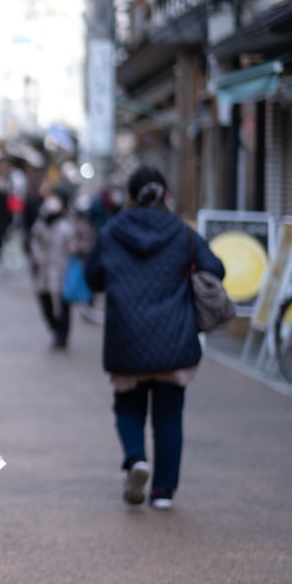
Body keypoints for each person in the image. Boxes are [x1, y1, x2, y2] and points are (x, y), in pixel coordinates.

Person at [84, 165, 225, 510]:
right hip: (174, 340)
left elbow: (93, 278)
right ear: (166, 195)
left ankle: (136, 460)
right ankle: (163, 491)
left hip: (126, 338)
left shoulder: (113, 230)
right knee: (169, 416)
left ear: (130, 195)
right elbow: (216, 269)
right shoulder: (183, 233)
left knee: (128, 407)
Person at [28, 186, 76, 349]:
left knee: (63, 305)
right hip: (44, 270)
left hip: (63, 270)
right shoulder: (42, 220)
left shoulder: (69, 223)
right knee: (45, 301)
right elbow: (34, 240)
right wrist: (38, 257)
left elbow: (75, 244)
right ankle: (55, 330)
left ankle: (62, 336)